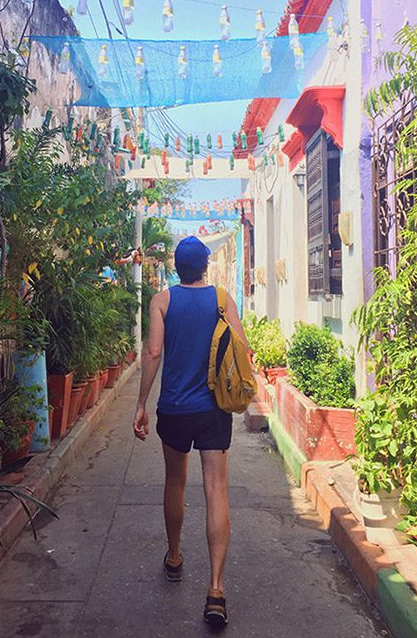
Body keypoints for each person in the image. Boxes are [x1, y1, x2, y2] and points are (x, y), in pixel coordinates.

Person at [133, 235, 248, 628]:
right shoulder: (222, 299)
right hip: (214, 409)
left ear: (176, 268)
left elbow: (152, 353)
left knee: (175, 483)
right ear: (204, 267)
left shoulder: (162, 302)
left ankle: (175, 556)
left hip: (175, 410)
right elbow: (241, 348)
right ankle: (216, 590)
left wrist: (141, 404)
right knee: (216, 489)